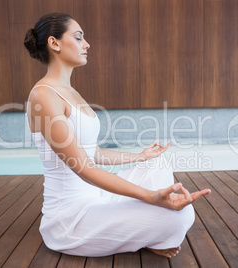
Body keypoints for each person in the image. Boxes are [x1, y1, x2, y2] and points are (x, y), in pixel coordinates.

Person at [24, 12, 211, 258]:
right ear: (54, 43)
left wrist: (140, 156)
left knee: (156, 162)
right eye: (79, 38)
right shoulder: (44, 96)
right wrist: (151, 197)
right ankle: (149, 233)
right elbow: (85, 169)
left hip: (97, 195)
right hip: (72, 217)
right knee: (182, 215)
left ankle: (146, 231)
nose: (87, 44)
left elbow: (94, 153)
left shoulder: (70, 92)